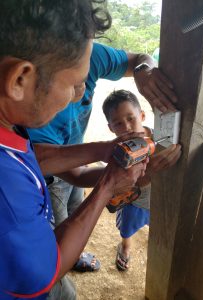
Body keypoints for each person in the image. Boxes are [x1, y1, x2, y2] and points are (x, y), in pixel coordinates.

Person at [0, 1, 148, 299]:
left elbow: (33, 155)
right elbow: (47, 271)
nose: (77, 97)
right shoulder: (8, 194)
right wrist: (107, 186)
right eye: (73, 85)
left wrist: (104, 150)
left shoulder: (9, 130)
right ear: (19, 80)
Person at [28, 42, 179, 271]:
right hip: (51, 177)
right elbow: (77, 175)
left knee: (75, 205)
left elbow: (139, 58)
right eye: (74, 86)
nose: (82, 93)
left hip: (73, 161)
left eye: (85, 83)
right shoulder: (33, 127)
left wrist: (142, 70)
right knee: (61, 232)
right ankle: (70, 258)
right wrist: (112, 177)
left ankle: (75, 254)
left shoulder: (88, 52)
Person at [102, 89, 181, 270]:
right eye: (118, 123)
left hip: (159, 201)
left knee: (160, 227)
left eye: (131, 118)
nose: (127, 127)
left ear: (142, 115)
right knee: (127, 228)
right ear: (110, 128)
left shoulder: (162, 139)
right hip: (134, 203)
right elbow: (122, 187)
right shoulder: (119, 154)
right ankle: (125, 246)